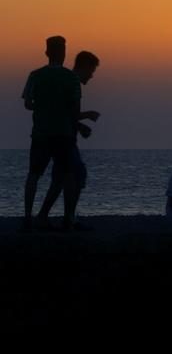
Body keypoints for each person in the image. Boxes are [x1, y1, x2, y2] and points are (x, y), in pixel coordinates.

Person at [20, 36, 81, 232]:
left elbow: (28, 104)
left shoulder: (35, 75)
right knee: (65, 175)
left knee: (33, 174)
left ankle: (28, 217)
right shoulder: (71, 78)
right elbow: (75, 109)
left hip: (40, 133)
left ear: (47, 53)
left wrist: (43, 106)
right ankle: (67, 218)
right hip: (63, 134)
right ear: (63, 53)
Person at [37, 51, 101, 230]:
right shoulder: (73, 82)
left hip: (59, 137)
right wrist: (86, 118)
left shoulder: (68, 81)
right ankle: (68, 218)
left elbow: (64, 112)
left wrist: (80, 126)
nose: (92, 75)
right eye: (92, 70)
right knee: (76, 175)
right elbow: (68, 113)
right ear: (85, 66)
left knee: (59, 180)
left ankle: (45, 216)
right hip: (64, 140)